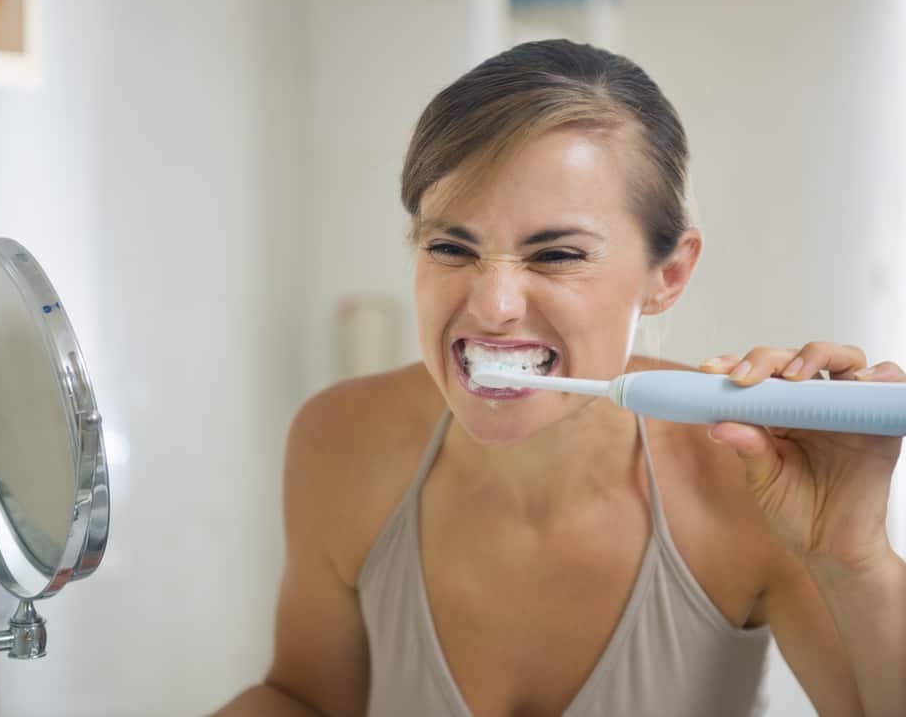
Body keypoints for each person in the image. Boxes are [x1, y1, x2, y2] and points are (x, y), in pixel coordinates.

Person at [214, 40, 905, 717]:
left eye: (557, 254)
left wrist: (856, 559)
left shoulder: (745, 475)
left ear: (669, 274)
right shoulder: (339, 439)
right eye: (451, 246)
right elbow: (305, 699)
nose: (492, 305)